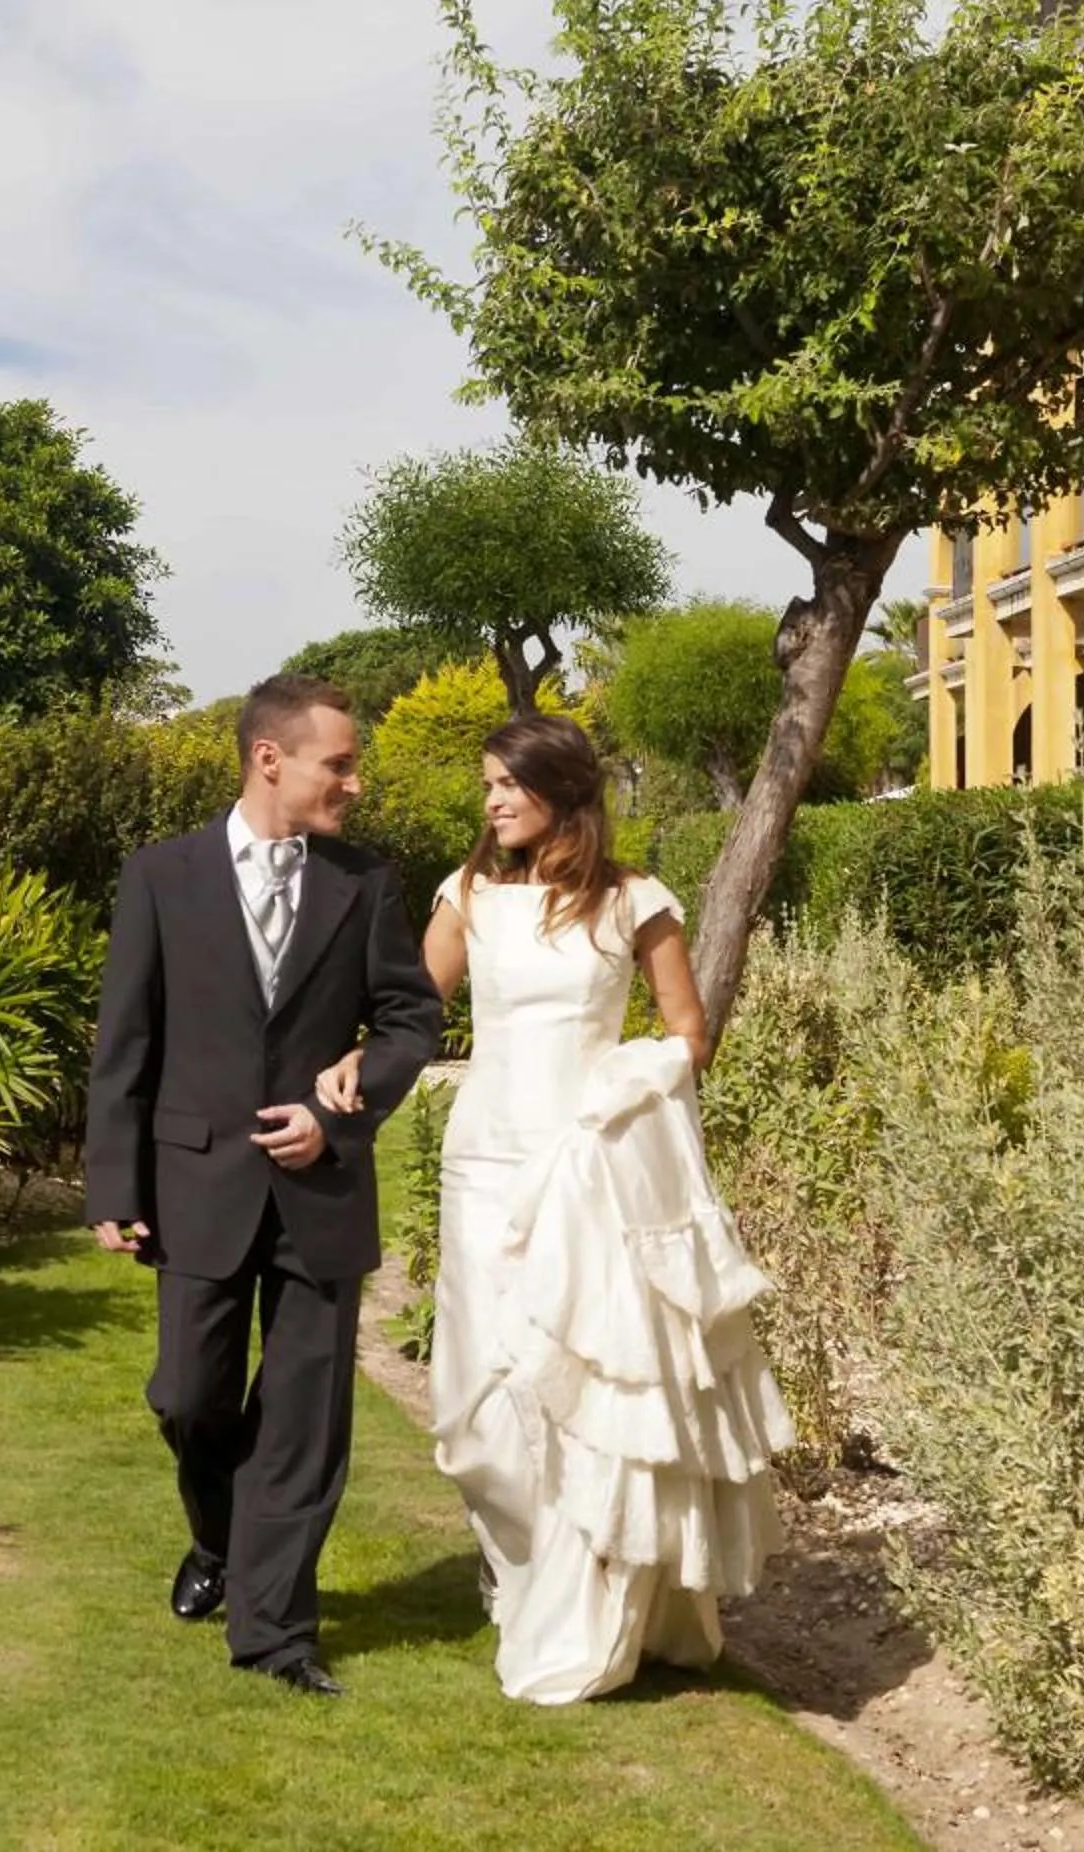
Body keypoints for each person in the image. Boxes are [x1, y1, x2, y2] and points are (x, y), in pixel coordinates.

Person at [326, 712, 790, 1705]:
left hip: (585, 1168)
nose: (492, 801)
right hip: (485, 1164)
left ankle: (586, 1603)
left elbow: (689, 1034)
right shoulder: (467, 898)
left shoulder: (634, 902)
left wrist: (620, 1089)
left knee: (575, 1387)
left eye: (508, 784)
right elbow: (412, 1014)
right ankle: (526, 1567)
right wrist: (356, 1062)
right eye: (488, 785)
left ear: (561, 791)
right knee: (478, 1403)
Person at [83, 674, 443, 1697]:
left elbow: (412, 1019)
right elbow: (127, 1039)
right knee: (187, 1397)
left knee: (302, 1419)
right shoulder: (161, 876)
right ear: (269, 759)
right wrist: (114, 1182)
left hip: (321, 1191)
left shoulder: (365, 883)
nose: (356, 783)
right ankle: (220, 1539)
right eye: (341, 764)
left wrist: (342, 1112)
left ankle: (276, 1630)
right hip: (196, 1182)